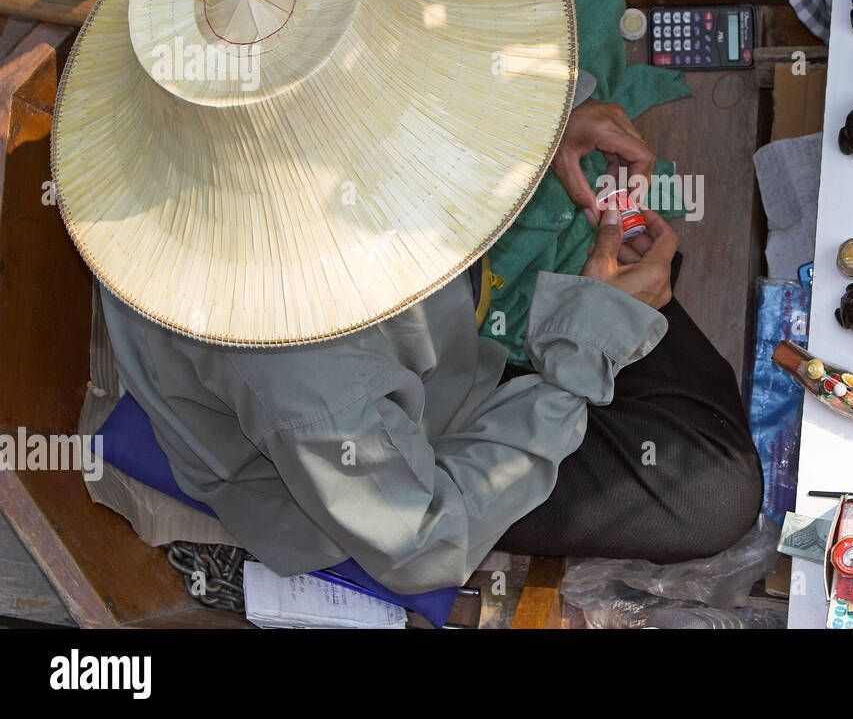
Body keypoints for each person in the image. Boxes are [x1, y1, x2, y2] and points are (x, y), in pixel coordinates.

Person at [98, 93, 763, 594]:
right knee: (712, 496)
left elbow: (413, 96)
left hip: (419, 347)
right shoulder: (300, 361)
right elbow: (420, 546)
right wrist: (587, 344)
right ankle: (621, 314)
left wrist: (541, 128)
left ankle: (623, 306)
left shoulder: (261, 123)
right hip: (390, 455)